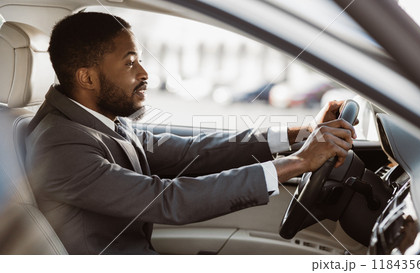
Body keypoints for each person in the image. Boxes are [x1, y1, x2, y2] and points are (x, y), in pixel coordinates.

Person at [25, 12, 356, 254]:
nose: (144, 73)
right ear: (88, 79)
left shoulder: (99, 119)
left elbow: (194, 151)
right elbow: (170, 200)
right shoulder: (60, 145)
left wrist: (300, 134)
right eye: (129, 63)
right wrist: (297, 163)